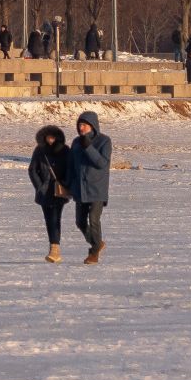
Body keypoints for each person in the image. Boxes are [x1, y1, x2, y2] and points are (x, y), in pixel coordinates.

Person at [65, 110, 111, 264]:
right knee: (80, 222)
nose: (81, 128)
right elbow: (71, 165)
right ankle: (97, 243)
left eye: (84, 125)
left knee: (94, 218)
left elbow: (102, 164)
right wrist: (68, 184)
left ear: (92, 126)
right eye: (79, 125)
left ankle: (94, 252)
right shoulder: (76, 142)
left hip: (97, 189)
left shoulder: (104, 141)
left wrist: (88, 148)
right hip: (80, 189)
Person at [29, 124, 71, 262]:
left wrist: (65, 183)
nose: (50, 140)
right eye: (48, 137)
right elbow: (32, 170)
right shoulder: (39, 150)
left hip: (59, 191)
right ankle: (54, 248)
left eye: (53, 137)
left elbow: (71, 169)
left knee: (55, 217)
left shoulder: (65, 150)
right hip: (44, 192)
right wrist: (39, 186)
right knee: (49, 219)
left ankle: (54, 249)